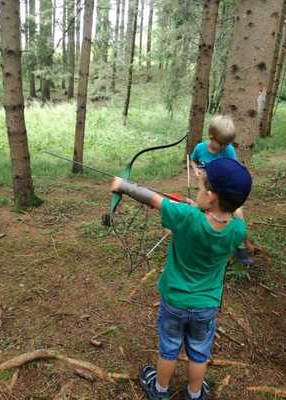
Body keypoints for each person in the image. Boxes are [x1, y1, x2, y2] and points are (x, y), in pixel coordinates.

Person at [111, 158, 252, 400]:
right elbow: (230, 214)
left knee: (169, 347)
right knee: (199, 351)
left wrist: (123, 185)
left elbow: (153, 199)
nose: (197, 192)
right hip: (206, 305)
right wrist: (204, 204)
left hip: (175, 300)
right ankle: (195, 393)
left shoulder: (186, 216)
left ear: (210, 197)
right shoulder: (238, 229)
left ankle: (160, 390)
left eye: (201, 189)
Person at [190, 114, 253, 266]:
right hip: (207, 189)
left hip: (223, 191)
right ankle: (200, 244)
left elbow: (231, 170)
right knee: (198, 211)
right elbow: (193, 160)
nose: (225, 147)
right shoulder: (200, 148)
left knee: (236, 212)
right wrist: (196, 169)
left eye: (227, 144)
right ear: (211, 138)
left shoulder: (228, 150)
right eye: (222, 144)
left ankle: (241, 245)